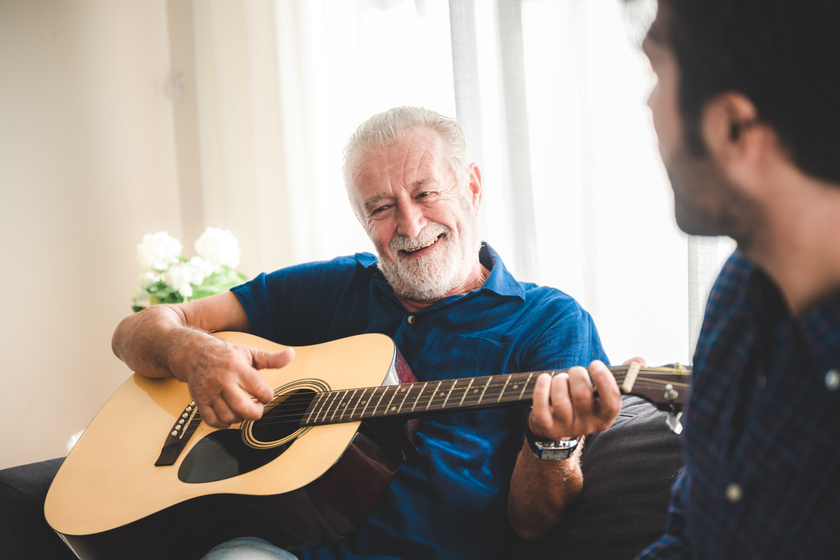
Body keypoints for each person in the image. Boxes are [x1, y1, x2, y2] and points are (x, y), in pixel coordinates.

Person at [0, 106, 621, 560]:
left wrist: (551, 446)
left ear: (473, 187)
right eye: (380, 207)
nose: (409, 223)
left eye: (426, 193)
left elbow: (534, 524)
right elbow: (137, 331)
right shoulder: (332, 288)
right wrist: (195, 354)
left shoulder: (550, 322)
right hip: (267, 545)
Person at [632, 0, 840, 557]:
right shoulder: (737, 290)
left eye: (658, 73)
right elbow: (689, 536)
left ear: (732, 126)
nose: (650, 106)